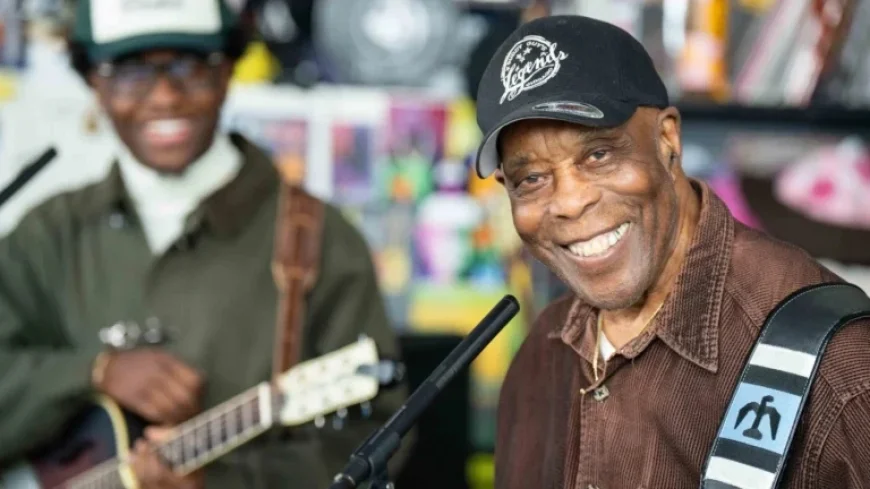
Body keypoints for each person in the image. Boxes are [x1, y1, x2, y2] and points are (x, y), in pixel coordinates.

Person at [0, 0, 409, 487]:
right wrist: (93, 372)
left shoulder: (321, 241)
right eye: (130, 71)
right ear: (94, 81)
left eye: (190, 65)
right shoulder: (46, 234)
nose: (166, 96)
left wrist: (218, 484)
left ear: (228, 69)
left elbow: (377, 438)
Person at [473, 15, 870, 489]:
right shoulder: (543, 352)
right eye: (531, 179)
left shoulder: (836, 367)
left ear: (667, 140)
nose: (570, 202)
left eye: (598, 154)